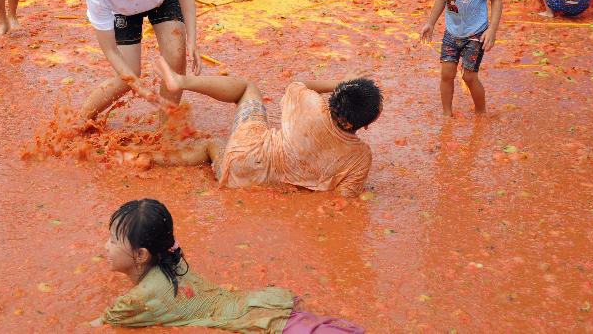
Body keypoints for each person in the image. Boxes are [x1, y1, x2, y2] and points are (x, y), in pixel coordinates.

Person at [91, 199, 366, 332]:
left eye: (114, 240)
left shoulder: (133, 301)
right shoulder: (176, 262)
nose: (106, 246)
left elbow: (98, 326)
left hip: (261, 327)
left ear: (141, 255)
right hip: (264, 307)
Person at [149, 54, 381, 196]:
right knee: (214, 148)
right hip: (265, 186)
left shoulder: (311, 104)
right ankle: (148, 158)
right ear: (366, 124)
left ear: (334, 98)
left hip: (246, 157)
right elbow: (341, 200)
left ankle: (181, 82)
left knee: (246, 89)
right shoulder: (361, 157)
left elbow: (298, 83)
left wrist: (340, 82)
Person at [80, 0, 201, 121]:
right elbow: (109, 49)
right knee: (127, 76)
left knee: (176, 56)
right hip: (123, 10)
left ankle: (166, 128)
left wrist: (192, 41)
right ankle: (80, 121)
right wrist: (139, 88)